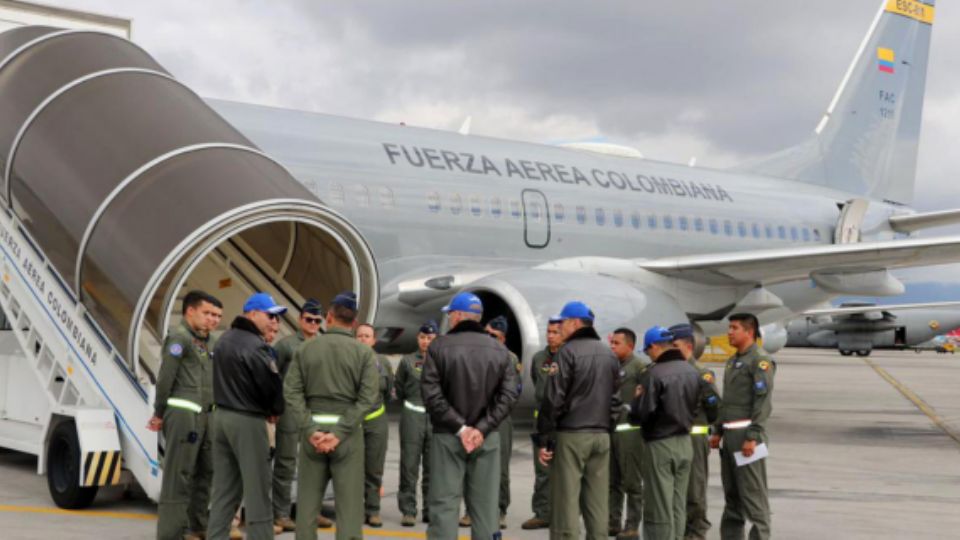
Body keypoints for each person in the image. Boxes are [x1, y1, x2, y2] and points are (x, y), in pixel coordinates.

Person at [421, 292, 519, 540]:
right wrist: (481, 428)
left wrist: (461, 428)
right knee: (486, 506)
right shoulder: (499, 350)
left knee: (444, 504)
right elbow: (508, 396)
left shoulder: (439, 347)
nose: (450, 318)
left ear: (457, 316)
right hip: (486, 438)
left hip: (448, 436)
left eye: (450, 314)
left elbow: (431, 394)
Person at [284, 291, 379, 540]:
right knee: (349, 509)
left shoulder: (305, 349)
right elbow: (367, 399)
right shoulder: (364, 354)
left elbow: (292, 392)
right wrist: (338, 434)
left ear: (329, 317)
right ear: (354, 323)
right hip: (347, 438)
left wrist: (310, 429)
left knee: (307, 507)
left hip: (311, 437)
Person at [537, 301, 621, 540]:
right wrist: (606, 427)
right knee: (597, 502)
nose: (559, 327)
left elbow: (553, 399)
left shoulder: (567, 352)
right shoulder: (608, 353)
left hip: (572, 435)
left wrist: (545, 438)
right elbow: (616, 400)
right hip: (601, 435)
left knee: (566, 502)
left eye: (562, 322)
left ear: (574, 323)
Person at [207, 293, 286, 540]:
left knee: (224, 491)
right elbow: (271, 388)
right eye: (270, 315)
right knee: (258, 492)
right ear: (252, 313)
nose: (274, 322)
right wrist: (275, 410)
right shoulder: (256, 346)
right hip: (247, 421)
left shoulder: (223, 340)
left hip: (221, 418)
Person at [149, 290, 221, 540]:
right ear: (190, 311)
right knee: (178, 475)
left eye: (217, 315)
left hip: (208, 417)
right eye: (208, 313)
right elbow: (166, 378)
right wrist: (159, 413)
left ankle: (198, 527)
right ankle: (171, 533)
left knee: (206, 473)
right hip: (183, 417)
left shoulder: (210, 342)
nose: (213, 319)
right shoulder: (179, 339)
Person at [709, 314, 775, 540]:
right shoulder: (733, 360)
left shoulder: (760, 361)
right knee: (733, 496)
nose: (729, 332)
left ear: (749, 332)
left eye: (734, 328)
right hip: (730, 434)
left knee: (753, 496)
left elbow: (763, 402)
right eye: (729, 327)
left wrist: (753, 436)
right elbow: (727, 402)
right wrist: (717, 430)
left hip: (747, 437)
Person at [630, 326, 700, 540]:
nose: (648, 355)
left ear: (655, 347)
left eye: (648, 350)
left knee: (658, 505)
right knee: (678, 503)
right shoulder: (691, 371)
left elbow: (642, 413)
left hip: (661, 444)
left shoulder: (654, 374)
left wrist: (635, 401)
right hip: (685, 443)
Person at [271, 299, 327, 532]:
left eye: (317, 320)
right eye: (309, 319)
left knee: (315, 465)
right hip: (291, 410)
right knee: (285, 462)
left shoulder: (325, 345)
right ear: (300, 319)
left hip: (316, 411)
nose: (313, 324)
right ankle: (281, 513)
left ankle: (310, 511)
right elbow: (273, 378)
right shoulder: (285, 346)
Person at [669, 323, 721, 540]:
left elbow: (715, 407)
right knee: (674, 488)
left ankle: (697, 530)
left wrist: (711, 429)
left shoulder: (701, 374)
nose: (670, 349)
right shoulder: (668, 371)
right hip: (671, 437)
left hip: (693, 438)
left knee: (694, 488)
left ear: (688, 346)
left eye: (674, 344)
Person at [521, 317, 563, 531]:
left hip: (563, 422)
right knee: (542, 470)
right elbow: (538, 385)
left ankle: (563, 514)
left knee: (565, 471)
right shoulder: (539, 358)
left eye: (555, 332)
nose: (550, 335)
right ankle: (542, 513)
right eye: (548, 331)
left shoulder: (569, 356)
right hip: (542, 421)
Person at [395, 321, 438, 526]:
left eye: (430, 338)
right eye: (422, 337)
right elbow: (400, 389)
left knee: (432, 468)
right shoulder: (407, 361)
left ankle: (429, 509)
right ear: (417, 339)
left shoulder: (443, 361)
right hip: (412, 417)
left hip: (435, 420)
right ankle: (408, 510)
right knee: (409, 466)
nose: (426, 342)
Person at [608, 328, 647, 540]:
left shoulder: (639, 367)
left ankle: (631, 526)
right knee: (612, 480)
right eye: (611, 343)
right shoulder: (613, 366)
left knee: (632, 481)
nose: (612, 346)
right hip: (611, 430)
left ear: (629, 346)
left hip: (630, 433)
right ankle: (612, 522)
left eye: (616, 343)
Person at [355, 322, 395, 527]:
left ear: (373, 340)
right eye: (360, 336)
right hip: (353, 421)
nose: (363, 339)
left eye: (367, 336)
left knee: (374, 467)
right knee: (352, 468)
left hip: (376, 420)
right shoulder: (348, 359)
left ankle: (373, 510)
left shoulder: (382, 362)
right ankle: (354, 509)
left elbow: (388, 391)